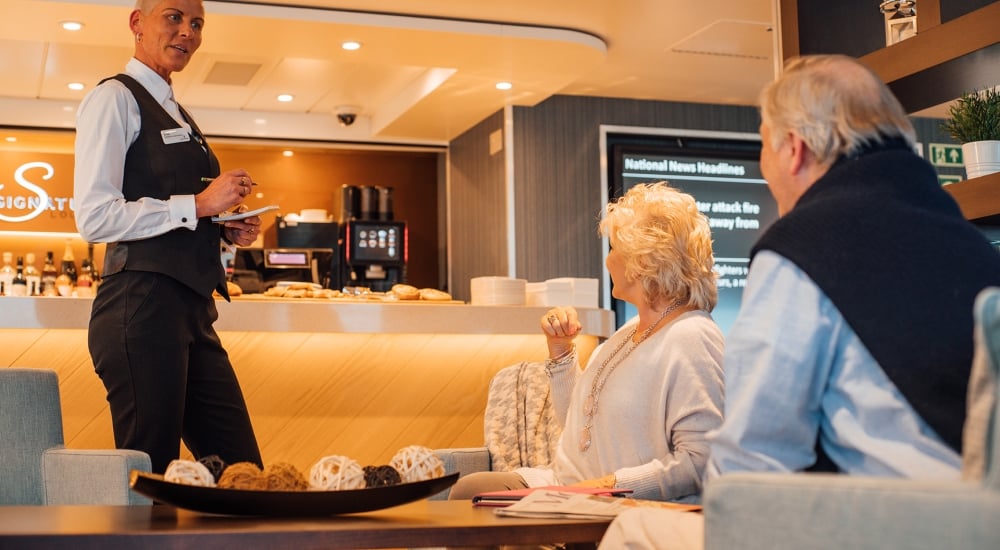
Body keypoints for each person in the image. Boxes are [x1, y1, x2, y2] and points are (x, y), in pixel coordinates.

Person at [598, 54, 1000, 549]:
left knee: (634, 530)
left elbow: (753, 457)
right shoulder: (970, 244)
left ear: (794, 149)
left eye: (763, 145)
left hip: (901, 527)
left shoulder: (802, 247)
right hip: (978, 524)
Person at [74, 0, 263, 473]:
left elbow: (173, 207)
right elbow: (94, 217)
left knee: (243, 471)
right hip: (140, 305)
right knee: (154, 477)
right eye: (174, 17)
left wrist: (222, 225)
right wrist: (199, 205)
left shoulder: (176, 112)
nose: (188, 32)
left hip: (192, 310)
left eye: (197, 23)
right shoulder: (114, 98)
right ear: (137, 23)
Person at [449, 182, 725, 503]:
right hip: (568, 486)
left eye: (615, 249)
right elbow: (577, 424)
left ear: (642, 262)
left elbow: (700, 460)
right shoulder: (632, 330)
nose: (609, 261)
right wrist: (562, 352)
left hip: (615, 502)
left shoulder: (693, 337)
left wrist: (609, 484)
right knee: (470, 491)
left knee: (477, 504)